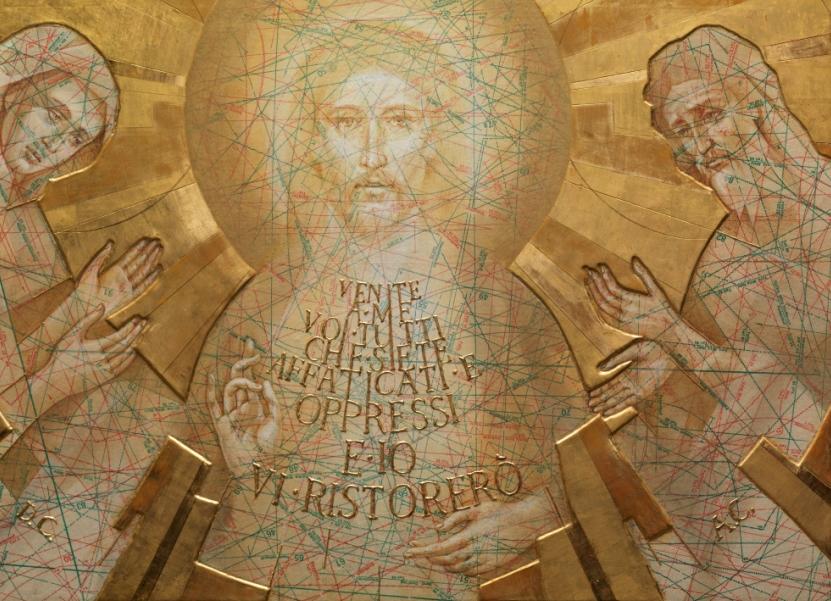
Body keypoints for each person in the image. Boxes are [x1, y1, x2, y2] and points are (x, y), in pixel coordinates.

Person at [582, 26, 829, 594]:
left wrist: (680, 341)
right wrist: (671, 368)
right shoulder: (724, 259)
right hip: (761, 509)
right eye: (682, 131)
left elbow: (800, 394)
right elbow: (711, 405)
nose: (701, 144)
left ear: (760, 100)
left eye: (710, 114)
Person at [0, 24, 162, 458]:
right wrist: (55, 382)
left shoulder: (28, 232)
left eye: (75, 139)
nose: (55, 145)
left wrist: (81, 306)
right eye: (54, 115)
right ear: (15, 91)